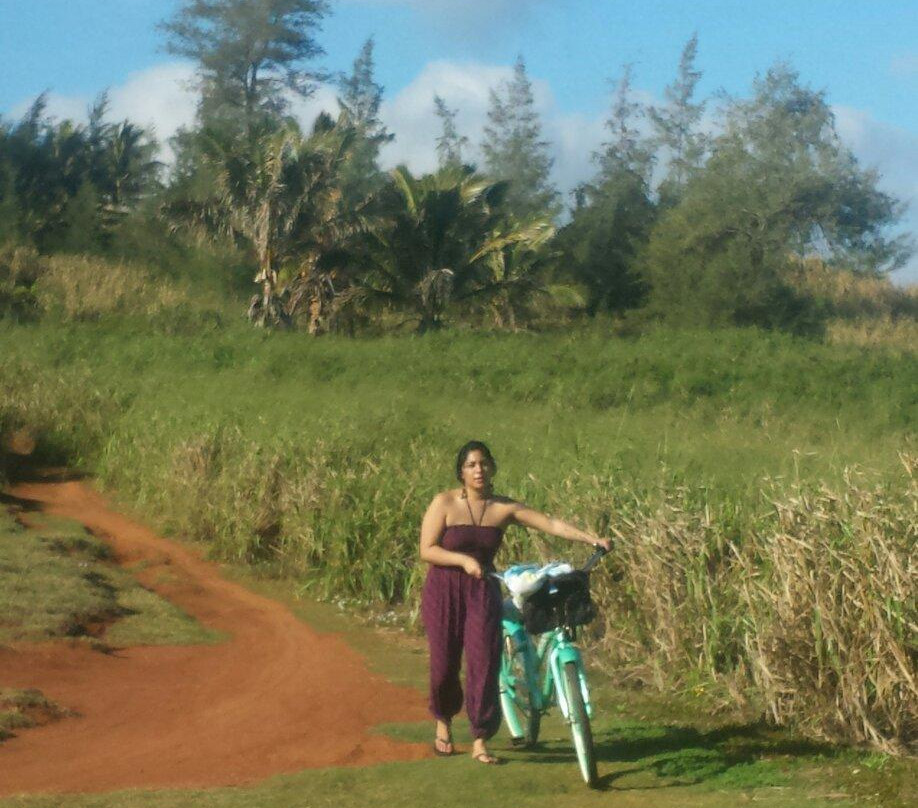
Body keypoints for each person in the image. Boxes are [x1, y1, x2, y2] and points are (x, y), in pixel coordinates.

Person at [418, 440, 611, 765]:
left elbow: (550, 523)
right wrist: (462, 561)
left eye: (483, 463)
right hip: (445, 588)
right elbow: (427, 549)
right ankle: (443, 722)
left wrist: (591, 538)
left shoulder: (503, 508)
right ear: (461, 472)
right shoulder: (445, 503)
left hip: (483, 588)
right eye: (471, 465)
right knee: (444, 665)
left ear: (492, 467)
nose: (478, 470)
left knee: (484, 662)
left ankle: (481, 739)